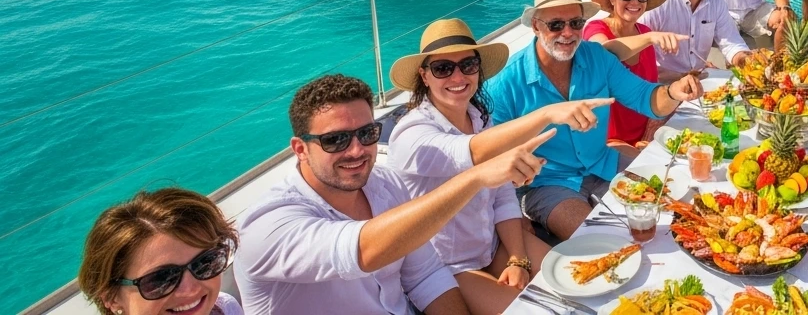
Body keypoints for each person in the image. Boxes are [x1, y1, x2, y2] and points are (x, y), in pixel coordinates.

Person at [235, 74, 552, 315]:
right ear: (300, 149)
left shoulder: (385, 186)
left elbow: (425, 276)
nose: (357, 150)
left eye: (367, 133)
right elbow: (366, 249)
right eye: (336, 140)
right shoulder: (269, 225)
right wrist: (475, 177)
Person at [389, 19, 596, 315]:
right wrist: (547, 114)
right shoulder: (411, 134)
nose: (458, 76)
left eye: (468, 65)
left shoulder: (480, 119)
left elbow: (501, 197)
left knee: (576, 280)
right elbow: (467, 152)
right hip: (446, 265)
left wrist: (517, 259)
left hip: (492, 244)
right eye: (443, 68)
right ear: (424, 76)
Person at [485, 0, 703, 241]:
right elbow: (491, 152)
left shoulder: (597, 57)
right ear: (536, 26)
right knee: (601, 240)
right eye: (556, 25)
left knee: (676, 204)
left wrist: (673, 92)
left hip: (603, 162)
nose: (567, 32)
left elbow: (645, 97)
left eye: (576, 23)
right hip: (548, 183)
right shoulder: (505, 82)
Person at [79, 187, 242, 315]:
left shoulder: (225, 308)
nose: (190, 289)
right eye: (161, 279)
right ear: (112, 298)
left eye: (206, 262)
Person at [584, 0, 685, 153]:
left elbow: (650, 75)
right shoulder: (596, 28)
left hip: (648, 129)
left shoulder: (644, 31)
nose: (635, 1)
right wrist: (650, 38)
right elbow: (604, 52)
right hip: (611, 140)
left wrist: (685, 75)